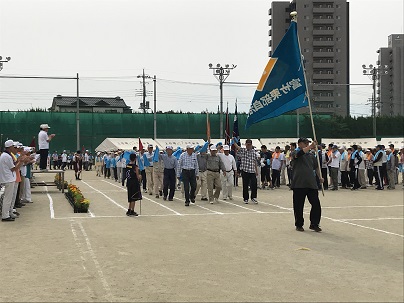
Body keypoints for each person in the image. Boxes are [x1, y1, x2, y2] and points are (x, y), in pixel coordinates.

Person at [290, 138, 323, 232]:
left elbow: (316, 167)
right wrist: (311, 146)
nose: (307, 145)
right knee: (298, 206)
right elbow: (298, 154)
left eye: (308, 143)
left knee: (316, 204)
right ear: (300, 144)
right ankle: (299, 224)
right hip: (299, 183)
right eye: (305, 143)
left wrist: (320, 177)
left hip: (311, 183)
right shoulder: (295, 153)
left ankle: (314, 223)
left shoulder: (311, 156)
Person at [0, 140, 24, 221]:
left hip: (8, 178)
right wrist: (21, 162)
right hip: (8, 179)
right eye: (14, 147)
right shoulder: (7, 156)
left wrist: (19, 161)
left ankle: (7, 213)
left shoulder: (6, 155)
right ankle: (5, 215)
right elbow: (13, 168)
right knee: (8, 199)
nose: (15, 149)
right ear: (10, 147)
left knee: (8, 198)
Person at [233, 139, 258, 204]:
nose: (248, 146)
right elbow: (238, 147)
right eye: (247, 144)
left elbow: (254, 161)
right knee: (245, 185)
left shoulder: (254, 152)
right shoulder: (243, 150)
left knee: (254, 184)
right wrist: (234, 142)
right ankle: (246, 198)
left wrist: (256, 170)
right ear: (246, 144)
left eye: (249, 144)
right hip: (245, 170)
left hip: (252, 170)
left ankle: (253, 197)